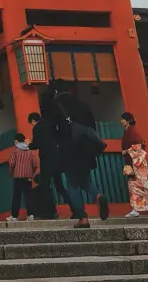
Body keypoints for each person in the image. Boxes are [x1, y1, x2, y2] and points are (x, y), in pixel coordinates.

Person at [44, 81, 109, 229]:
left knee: (72, 184)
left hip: (68, 149)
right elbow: (92, 126)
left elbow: (52, 132)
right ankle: (97, 195)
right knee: (85, 181)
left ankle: (82, 217)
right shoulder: (83, 105)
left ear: (56, 92)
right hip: (84, 147)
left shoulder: (55, 108)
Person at [27, 111, 70, 219]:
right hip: (56, 159)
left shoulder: (37, 128)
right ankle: (76, 209)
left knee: (45, 186)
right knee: (60, 186)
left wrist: (29, 144)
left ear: (33, 121)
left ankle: (49, 212)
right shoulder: (50, 125)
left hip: (46, 160)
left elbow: (36, 145)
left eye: (31, 123)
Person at [6, 133, 38, 221]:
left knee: (17, 196)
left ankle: (14, 216)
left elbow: (11, 163)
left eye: (14, 140)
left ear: (16, 140)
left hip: (18, 177)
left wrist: (11, 172)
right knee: (28, 196)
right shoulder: (29, 150)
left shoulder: (15, 150)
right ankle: (31, 215)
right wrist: (31, 173)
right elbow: (35, 164)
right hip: (28, 177)